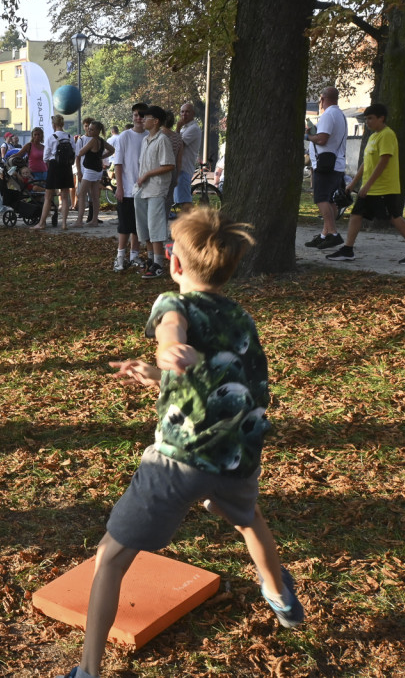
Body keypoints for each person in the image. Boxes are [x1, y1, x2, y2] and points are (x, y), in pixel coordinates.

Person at [56, 209, 304, 678]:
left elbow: (173, 329)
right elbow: (216, 377)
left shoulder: (173, 303)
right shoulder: (241, 318)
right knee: (249, 519)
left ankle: (87, 670)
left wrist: (167, 349)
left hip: (179, 462)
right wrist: (161, 374)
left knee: (109, 558)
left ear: (174, 263)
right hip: (237, 457)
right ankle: (279, 596)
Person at [326, 103, 405, 264]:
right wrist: (353, 183)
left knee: (394, 217)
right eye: (366, 119)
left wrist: (367, 186)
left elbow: (384, 161)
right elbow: (366, 163)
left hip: (384, 188)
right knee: (356, 215)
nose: (368, 122)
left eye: (371, 118)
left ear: (382, 118)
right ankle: (348, 249)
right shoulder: (373, 136)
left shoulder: (387, 135)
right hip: (371, 188)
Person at [303, 87, 349, 249]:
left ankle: (334, 234)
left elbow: (322, 139)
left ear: (323, 99)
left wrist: (308, 136)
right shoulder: (340, 115)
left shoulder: (329, 115)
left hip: (326, 164)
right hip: (335, 163)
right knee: (330, 200)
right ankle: (325, 234)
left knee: (321, 198)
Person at [135, 106, 176, 278]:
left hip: (156, 189)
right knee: (144, 228)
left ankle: (159, 264)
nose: (143, 120)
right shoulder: (145, 140)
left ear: (156, 121)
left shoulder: (162, 140)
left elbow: (169, 165)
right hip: (142, 190)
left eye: (147, 117)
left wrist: (147, 175)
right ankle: (151, 259)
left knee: (155, 226)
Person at [112, 102, 148, 271]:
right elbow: (118, 164)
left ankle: (134, 255)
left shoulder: (149, 136)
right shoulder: (124, 136)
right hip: (127, 188)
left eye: (141, 115)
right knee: (124, 225)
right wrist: (119, 187)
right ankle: (120, 256)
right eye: (135, 115)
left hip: (144, 189)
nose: (138, 118)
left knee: (138, 226)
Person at [33, 114, 74, 230]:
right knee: (65, 196)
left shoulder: (51, 137)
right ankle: (64, 223)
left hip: (54, 166)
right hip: (66, 167)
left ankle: (41, 223)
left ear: (53, 125)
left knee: (48, 196)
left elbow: (45, 157)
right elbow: (74, 152)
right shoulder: (70, 137)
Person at [75, 120, 114, 228]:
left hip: (90, 170)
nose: (89, 130)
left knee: (81, 194)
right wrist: (101, 156)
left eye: (92, 129)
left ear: (97, 131)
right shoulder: (101, 141)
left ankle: (79, 221)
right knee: (95, 196)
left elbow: (81, 152)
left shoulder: (92, 140)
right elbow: (112, 150)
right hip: (97, 169)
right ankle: (94, 220)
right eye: (89, 128)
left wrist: (81, 144)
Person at [174, 103, 202, 211]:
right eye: (182, 111)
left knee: (185, 201)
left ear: (193, 114)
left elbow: (178, 144)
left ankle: (193, 224)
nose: (184, 114)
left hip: (184, 168)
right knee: (180, 201)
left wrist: (177, 128)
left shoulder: (193, 129)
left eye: (187, 111)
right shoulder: (184, 128)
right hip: (179, 168)